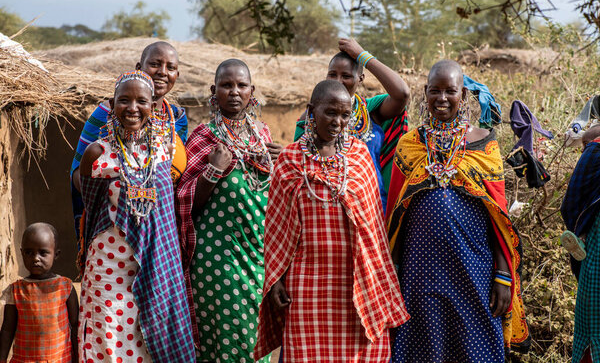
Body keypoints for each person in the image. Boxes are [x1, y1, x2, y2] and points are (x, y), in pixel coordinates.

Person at [254, 80, 409, 362]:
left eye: (345, 115)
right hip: (307, 285)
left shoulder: (360, 156)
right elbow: (274, 226)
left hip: (357, 283)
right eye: (330, 113)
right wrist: (275, 279)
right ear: (312, 111)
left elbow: (373, 226)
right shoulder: (290, 160)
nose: (338, 121)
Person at [386, 60, 530, 362]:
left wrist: (503, 276)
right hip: (419, 276)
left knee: (475, 349)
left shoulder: (485, 145)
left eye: (450, 91)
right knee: (421, 349)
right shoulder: (409, 145)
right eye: (434, 91)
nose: (442, 98)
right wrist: (392, 278)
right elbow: (395, 219)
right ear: (425, 94)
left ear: (463, 96)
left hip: (473, 271)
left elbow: (499, 218)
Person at [78, 70, 194, 362]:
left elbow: (166, 220)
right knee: (109, 339)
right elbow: (90, 208)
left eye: (141, 101)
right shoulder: (96, 152)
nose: (132, 108)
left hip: (156, 267)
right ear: (112, 104)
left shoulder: (165, 152)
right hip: (108, 271)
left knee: (146, 343)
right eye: (124, 100)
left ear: (153, 106)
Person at [176, 59, 282, 363]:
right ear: (214, 91)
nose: (234, 91)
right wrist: (213, 170)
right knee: (225, 343)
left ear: (252, 91)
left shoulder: (263, 135)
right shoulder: (202, 135)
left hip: (257, 258)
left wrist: (279, 162)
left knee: (255, 345)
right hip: (217, 260)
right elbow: (185, 202)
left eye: (241, 85)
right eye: (226, 85)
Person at [71, 41, 188, 240]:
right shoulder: (105, 115)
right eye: (155, 64)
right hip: (113, 226)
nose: (162, 72)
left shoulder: (177, 119)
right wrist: (122, 197)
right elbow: (78, 175)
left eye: (171, 67)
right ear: (139, 68)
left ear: (177, 74)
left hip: (163, 228)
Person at [294, 38, 410, 208]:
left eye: (346, 76)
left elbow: (402, 94)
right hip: (324, 206)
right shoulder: (312, 115)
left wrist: (362, 55)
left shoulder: (370, 110)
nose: (338, 80)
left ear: (360, 78)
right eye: (332, 74)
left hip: (370, 204)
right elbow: (299, 162)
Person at [0, 223, 78, 363]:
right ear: (21, 252)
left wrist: (78, 357)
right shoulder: (16, 290)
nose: (36, 258)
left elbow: (75, 325)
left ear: (56, 254)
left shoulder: (65, 287)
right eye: (29, 252)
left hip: (59, 359)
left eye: (43, 253)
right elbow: (7, 328)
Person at [561, 124, 600, 363]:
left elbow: (571, 204)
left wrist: (579, 228)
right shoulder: (595, 151)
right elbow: (572, 205)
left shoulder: (594, 151)